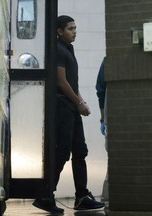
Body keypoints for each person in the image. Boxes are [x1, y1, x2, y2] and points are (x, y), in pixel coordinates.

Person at [32, 15, 105, 213]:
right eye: (70, 29)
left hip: (72, 106)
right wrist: (78, 102)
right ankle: (45, 195)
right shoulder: (58, 49)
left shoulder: (68, 48)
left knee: (80, 151)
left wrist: (81, 102)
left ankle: (82, 196)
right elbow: (61, 82)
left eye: (75, 28)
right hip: (62, 107)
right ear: (59, 31)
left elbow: (72, 83)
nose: (75, 31)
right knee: (62, 152)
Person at [96, 57, 109, 202]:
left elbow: (100, 90)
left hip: (110, 116)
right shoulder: (107, 61)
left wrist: (103, 119)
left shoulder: (107, 60)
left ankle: (107, 200)